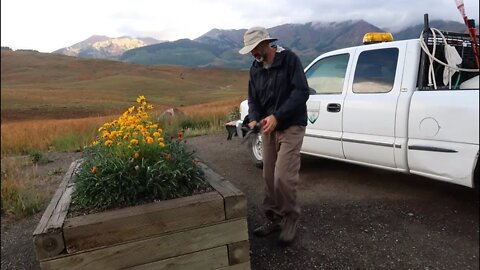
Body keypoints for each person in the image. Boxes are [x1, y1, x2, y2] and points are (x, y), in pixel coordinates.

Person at [239, 26, 309, 244]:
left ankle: (290, 218)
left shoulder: (289, 60)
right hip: (269, 127)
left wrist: (278, 116)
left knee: (282, 177)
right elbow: (254, 99)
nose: (252, 53)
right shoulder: (255, 68)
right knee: (268, 176)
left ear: (265, 44)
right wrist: (254, 117)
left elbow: (301, 92)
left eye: (254, 48)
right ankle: (274, 218)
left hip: (291, 125)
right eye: (250, 50)